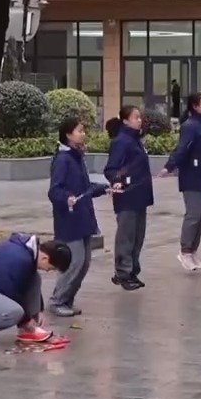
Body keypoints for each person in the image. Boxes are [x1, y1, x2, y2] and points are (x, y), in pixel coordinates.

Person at [47, 117, 115, 317]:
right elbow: (54, 190)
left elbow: (85, 188)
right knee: (74, 262)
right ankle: (57, 300)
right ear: (68, 135)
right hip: (69, 219)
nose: (83, 134)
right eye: (79, 131)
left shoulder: (77, 157)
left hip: (83, 216)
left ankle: (67, 299)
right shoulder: (63, 159)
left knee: (84, 263)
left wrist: (104, 188)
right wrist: (66, 198)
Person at [0, 233, 74, 347]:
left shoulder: (27, 253)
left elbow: (25, 284)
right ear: (45, 258)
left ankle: (26, 330)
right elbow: (11, 292)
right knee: (14, 312)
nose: (48, 271)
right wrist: (25, 319)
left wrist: (37, 312)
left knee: (35, 278)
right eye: (51, 268)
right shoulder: (18, 259)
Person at [158, 93, 201, 271]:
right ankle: (185, 251)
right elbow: (182, 148)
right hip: (192, 177)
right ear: (195, 106)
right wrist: (169, 166)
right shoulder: (190, 126)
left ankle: (192, 251)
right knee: (194, 214)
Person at [103, 106, 153, 291]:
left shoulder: (136, 140)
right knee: (126, 237)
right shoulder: (121, 141)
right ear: (125, 121)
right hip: (127, 195)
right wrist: (117, 180)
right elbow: (111, 168)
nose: (140, 120)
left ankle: (132, 271)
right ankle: (122, 273)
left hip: (140, 195)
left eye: (140, 117)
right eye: (136, 117)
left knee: (138, 237)